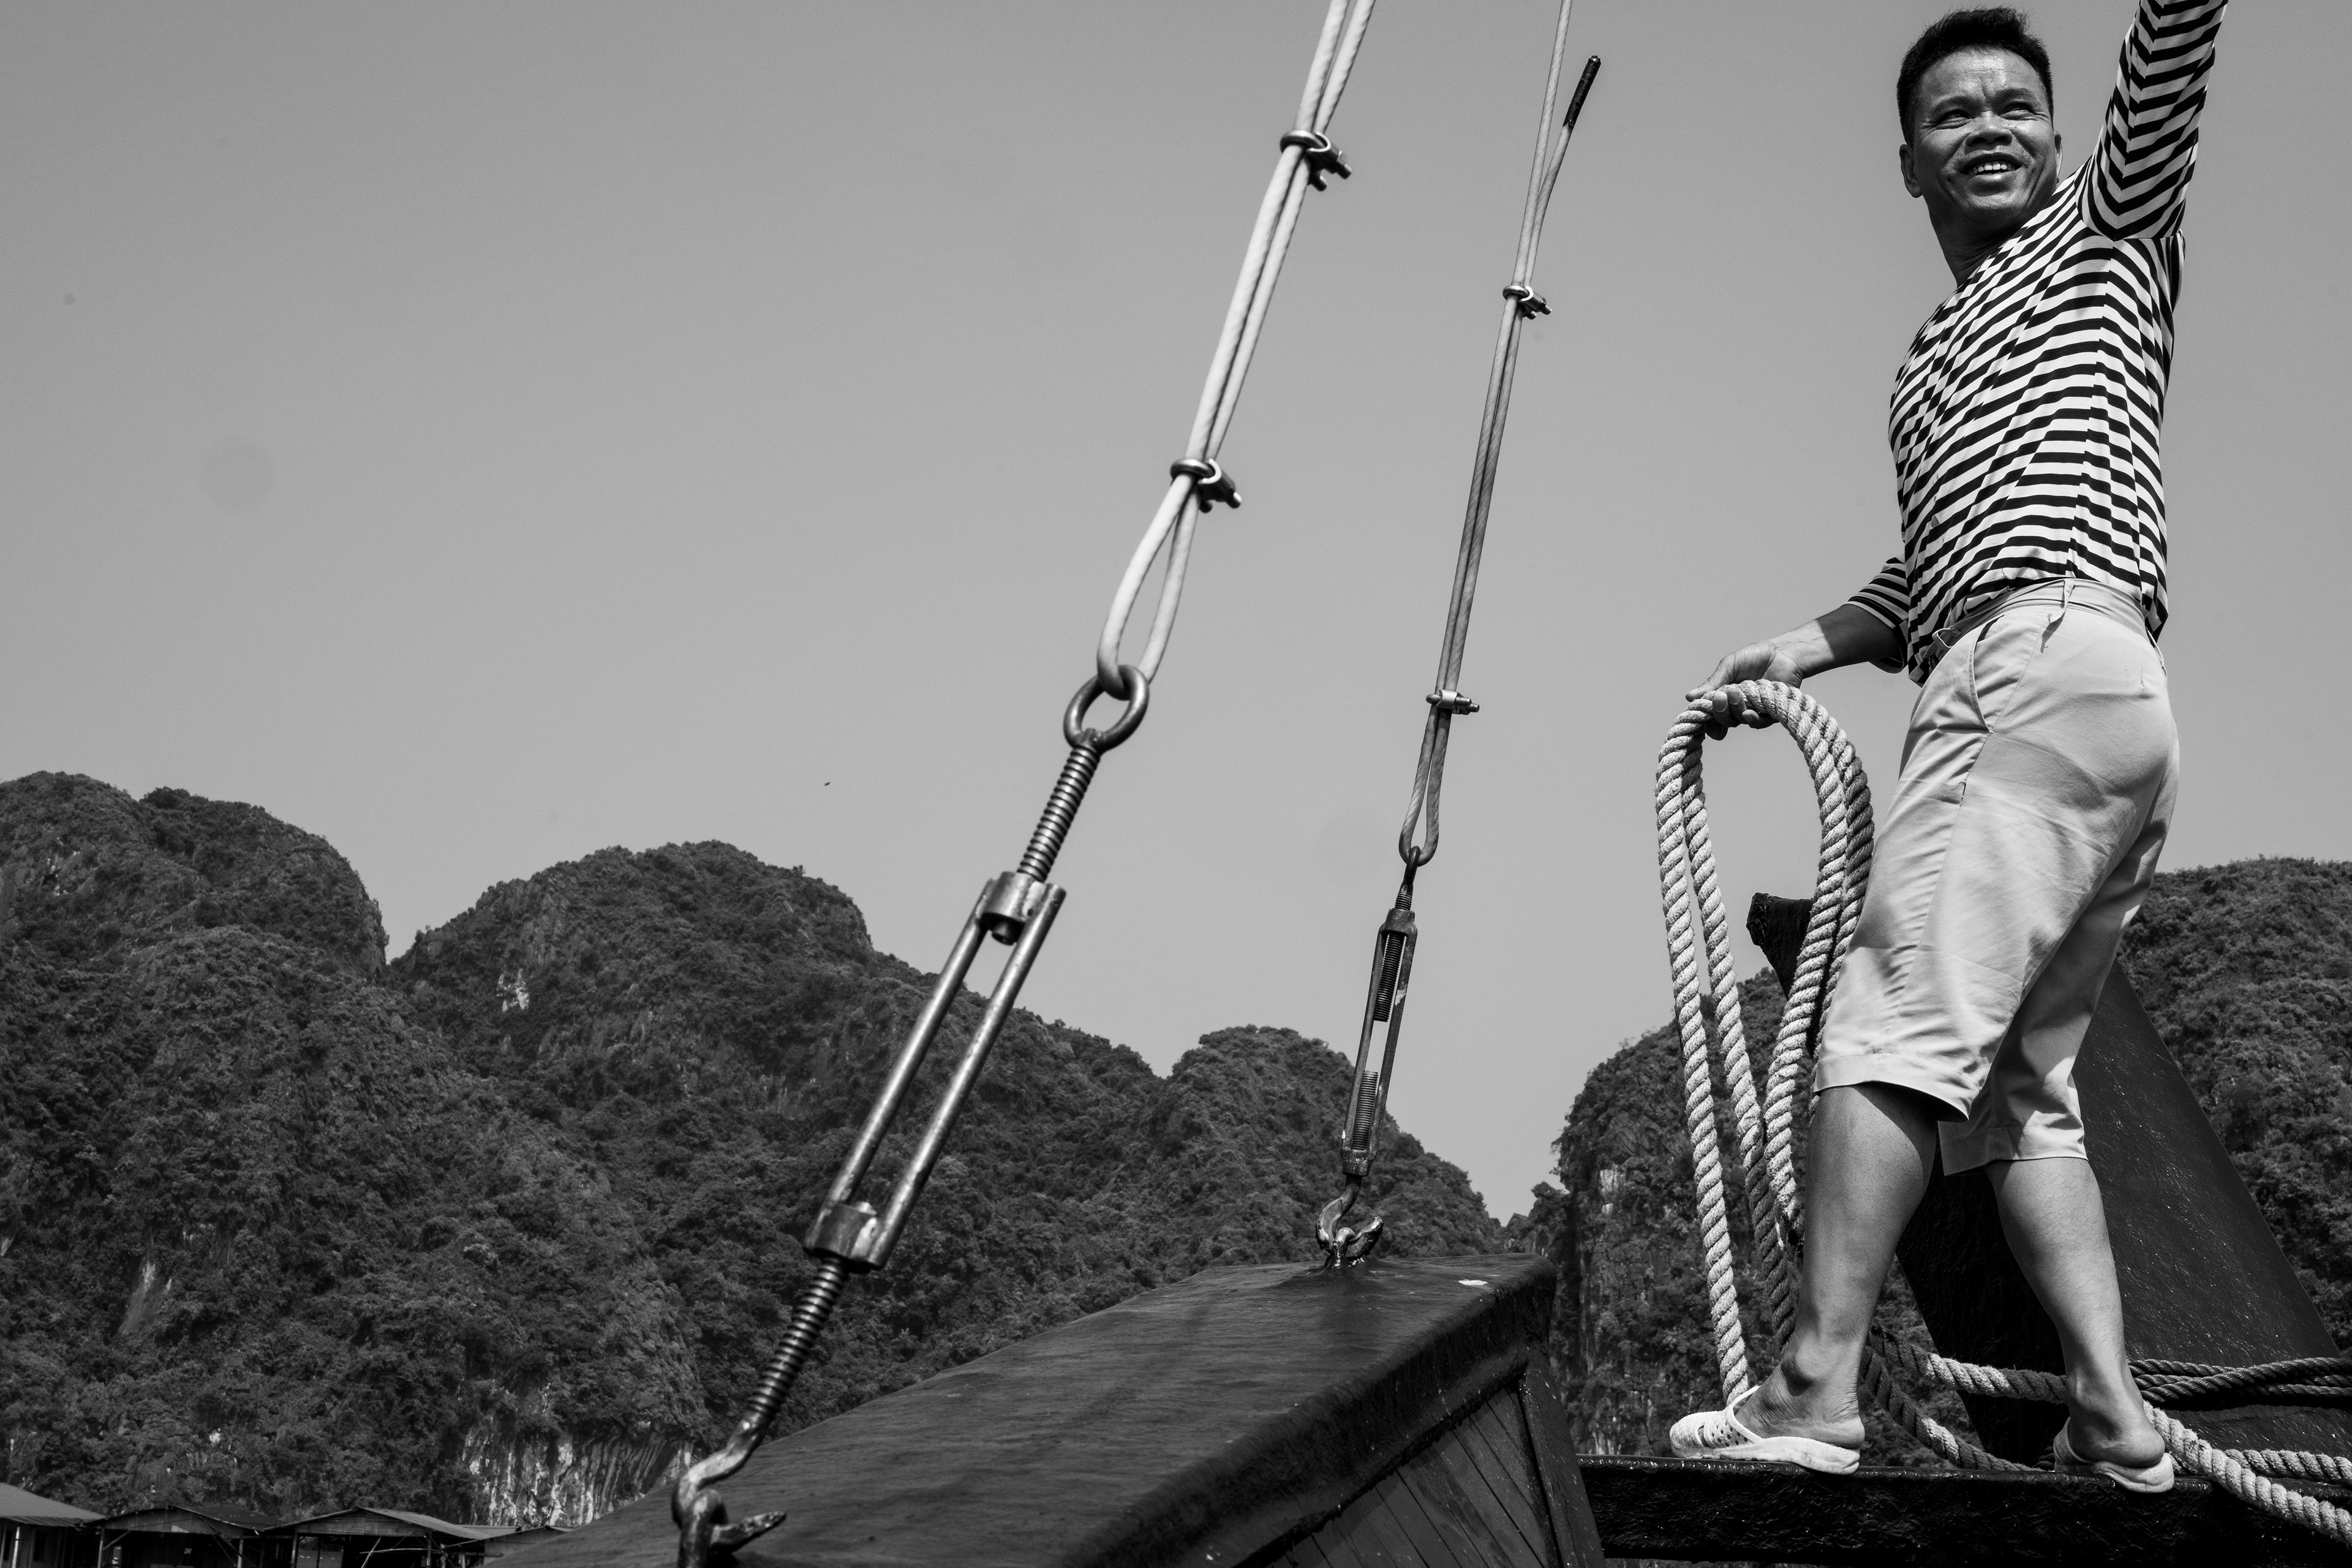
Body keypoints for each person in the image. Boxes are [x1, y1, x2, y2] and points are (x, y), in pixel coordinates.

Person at [1667, 0, 2228, 1491]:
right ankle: (2113, 1419)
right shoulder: (1929, 358)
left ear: (2062, 139)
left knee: (1882, 1024)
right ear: (1908, 162)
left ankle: (1814, 1384)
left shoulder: (2109, 237)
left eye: (2014, 107)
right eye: (1950, 113)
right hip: (2087, 688)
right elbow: (1936, 563)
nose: (1986, 125)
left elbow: (2170, 60)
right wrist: (1812, 639)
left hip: (2031, 670)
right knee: (2019, 1100)